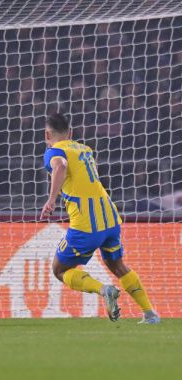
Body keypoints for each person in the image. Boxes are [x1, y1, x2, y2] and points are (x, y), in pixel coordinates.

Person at [40, 113, 160, 324]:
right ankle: (150, 314)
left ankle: (104, 290)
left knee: (60, 269)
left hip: (86, 224)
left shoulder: (54, 151)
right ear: (71, 133)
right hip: (110, 218)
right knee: (117, 265)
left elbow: (60, 166)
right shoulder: (85, 150)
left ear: (47, 134)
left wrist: (51, 200)